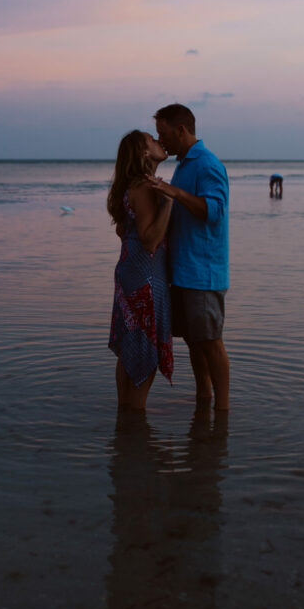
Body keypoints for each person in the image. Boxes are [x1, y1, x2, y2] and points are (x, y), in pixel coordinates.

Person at [147, 104, 231, 411]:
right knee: (195, 341)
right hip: (182, 272)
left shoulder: (207, 164)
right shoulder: (183, 165)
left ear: (181, 130)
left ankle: (222, 410)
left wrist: (174, 193)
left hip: (203, 272)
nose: (161, 140)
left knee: (210, 341)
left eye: (164, 133)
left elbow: (214, 211)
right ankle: (203, 397)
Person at [108, 130, 175, 410]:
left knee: (130, 349)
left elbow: (128, 232)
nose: (160, 141)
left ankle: (125, 424)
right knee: (143, 349)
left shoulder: (128, 186)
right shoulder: (147, 187)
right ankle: (134, 432)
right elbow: (149, 240)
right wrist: (170, 201)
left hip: (129, 273)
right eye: (152, 140)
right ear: (144, 153)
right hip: (145, 277)